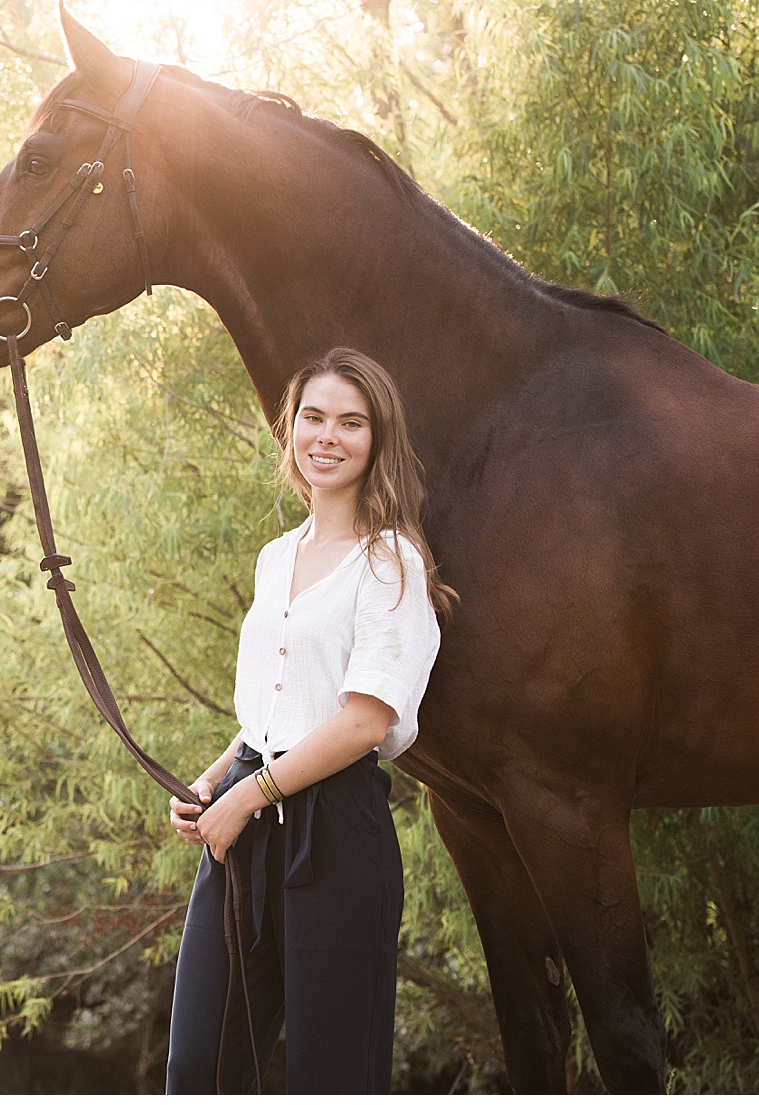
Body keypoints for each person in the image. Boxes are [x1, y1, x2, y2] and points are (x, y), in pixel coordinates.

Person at [164, 347, 456, 1093]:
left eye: (351, 423)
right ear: (290, 430)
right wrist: (219, 771)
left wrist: (249, 793)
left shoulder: (392, 562)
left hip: (334, 831)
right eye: (313, 417)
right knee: (200, 1065)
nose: (327, 436)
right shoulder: (275, 556)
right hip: (246, 802)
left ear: (376, 441)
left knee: (333, 1077)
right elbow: (288, 691)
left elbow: (363, 721)